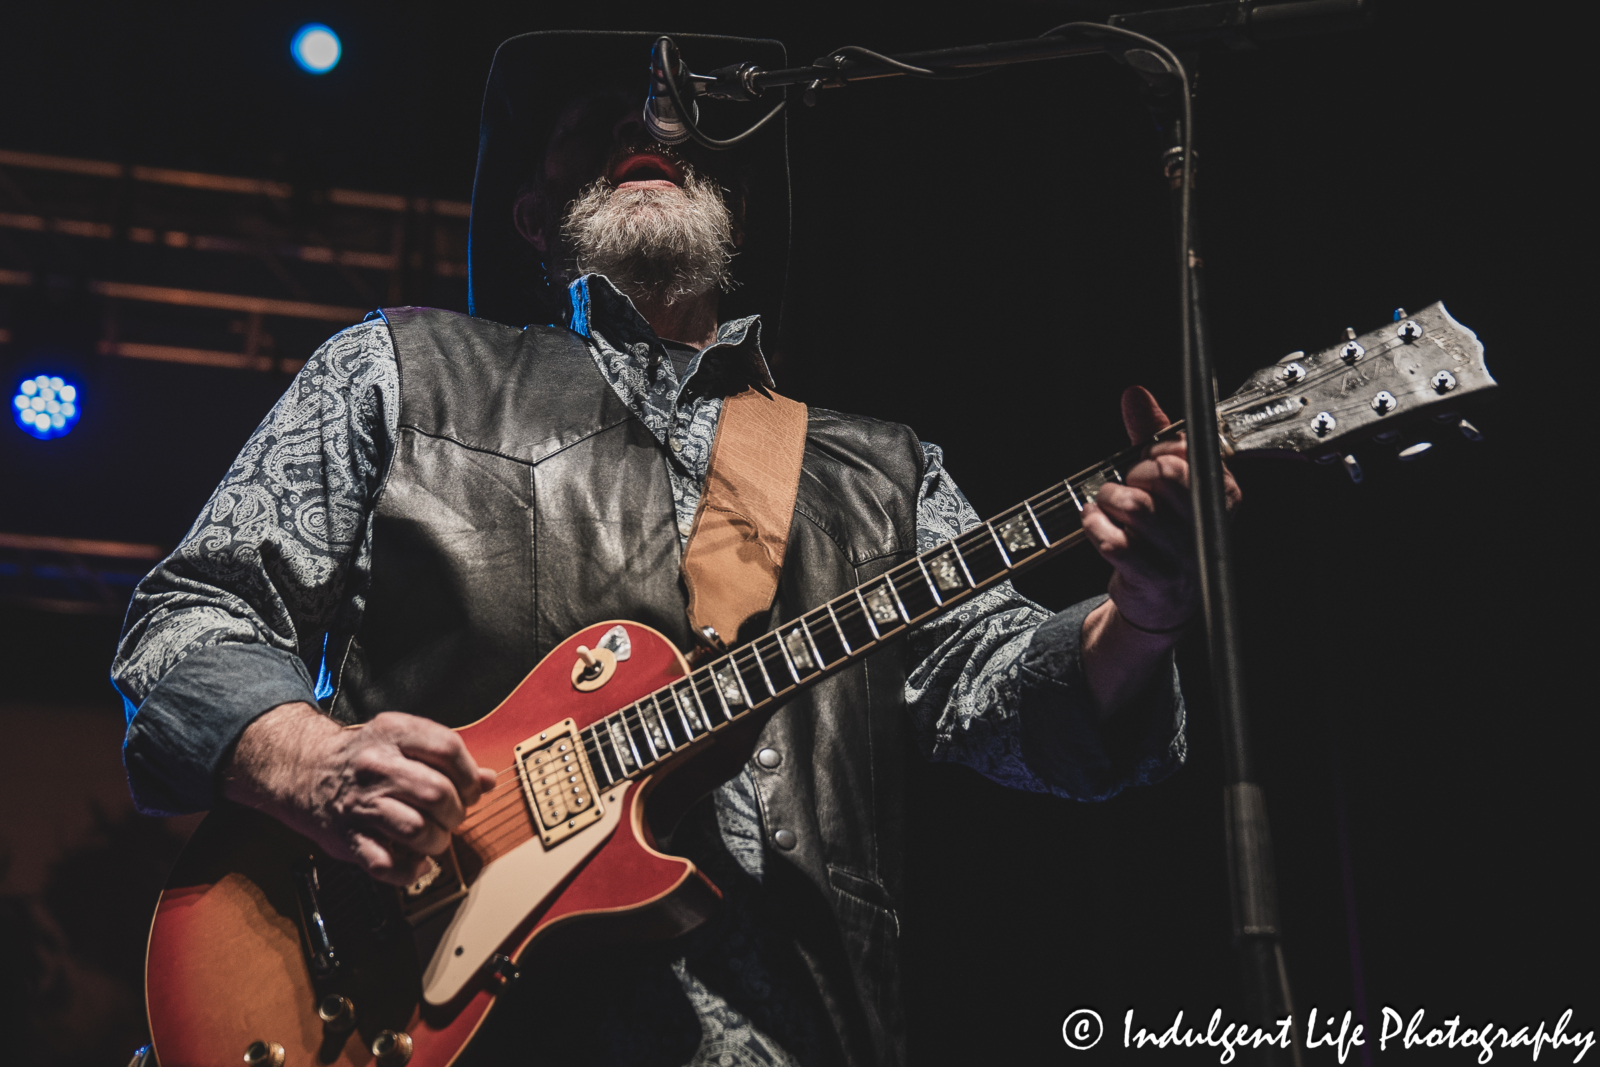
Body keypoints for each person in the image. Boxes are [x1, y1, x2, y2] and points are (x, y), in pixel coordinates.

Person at [113, 30, 1236, 1067]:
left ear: (733, 205)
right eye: (598, 119)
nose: (645, 130)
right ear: (529, 213)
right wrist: (310, 762)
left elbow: (1009, 702)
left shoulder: (881, 469)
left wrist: (1138, 616)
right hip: (430, 1015)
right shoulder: (399, 373)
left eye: (679, 124)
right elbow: (188, 621)